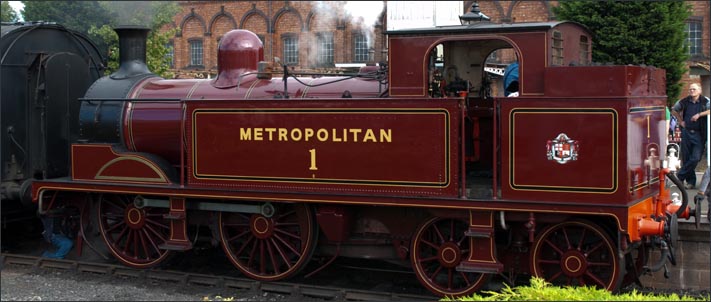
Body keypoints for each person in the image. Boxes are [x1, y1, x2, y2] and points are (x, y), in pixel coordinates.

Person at [671, 83, 710, 189]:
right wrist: (681, 121)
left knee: (695, 158)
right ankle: (691, 182)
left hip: (699, 133)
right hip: (686, 132)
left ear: (700, 90)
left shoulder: (705, 101)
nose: (692, 91)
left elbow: (710, 110)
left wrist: (699, 114)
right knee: (687, 157)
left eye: (694, 89)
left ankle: (680, 176)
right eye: (690, 89)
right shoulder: (684, 101)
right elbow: (674, 110)